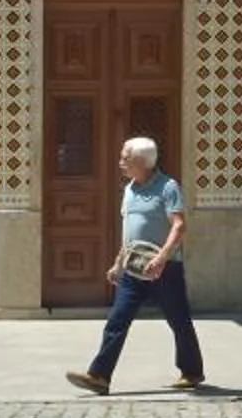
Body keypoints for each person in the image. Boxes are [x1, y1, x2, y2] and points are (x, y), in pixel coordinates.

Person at [65, 136, 204, 395]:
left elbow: (179, 225)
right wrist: (118, 264)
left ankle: (192, 371)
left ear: (142, 161)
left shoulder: (167, 187)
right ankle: (99, 376)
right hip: (133, 269)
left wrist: (161, 258)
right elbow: (130, 234)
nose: (120, 163)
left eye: (125, 158)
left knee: (179, 321)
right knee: (117, 320)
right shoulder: (129, 189)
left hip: (165, 268)